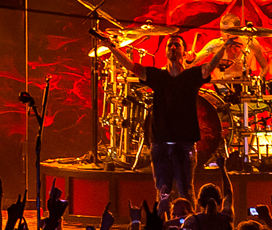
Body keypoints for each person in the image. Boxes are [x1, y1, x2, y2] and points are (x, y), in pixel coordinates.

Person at [95, 30, 238, 205]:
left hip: (185, 145)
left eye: (177, 45)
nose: (172, 47)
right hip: (161, 144)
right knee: (163, 192)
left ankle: (188, 226)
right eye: (169, 45)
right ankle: (163, 227)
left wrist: (223, 48)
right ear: (165, 52)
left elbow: (210, 66)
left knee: (186, 191)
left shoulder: (191, 76)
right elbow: (131, 66)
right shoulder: (158, 76)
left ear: (184, 52)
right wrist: (112, 48)